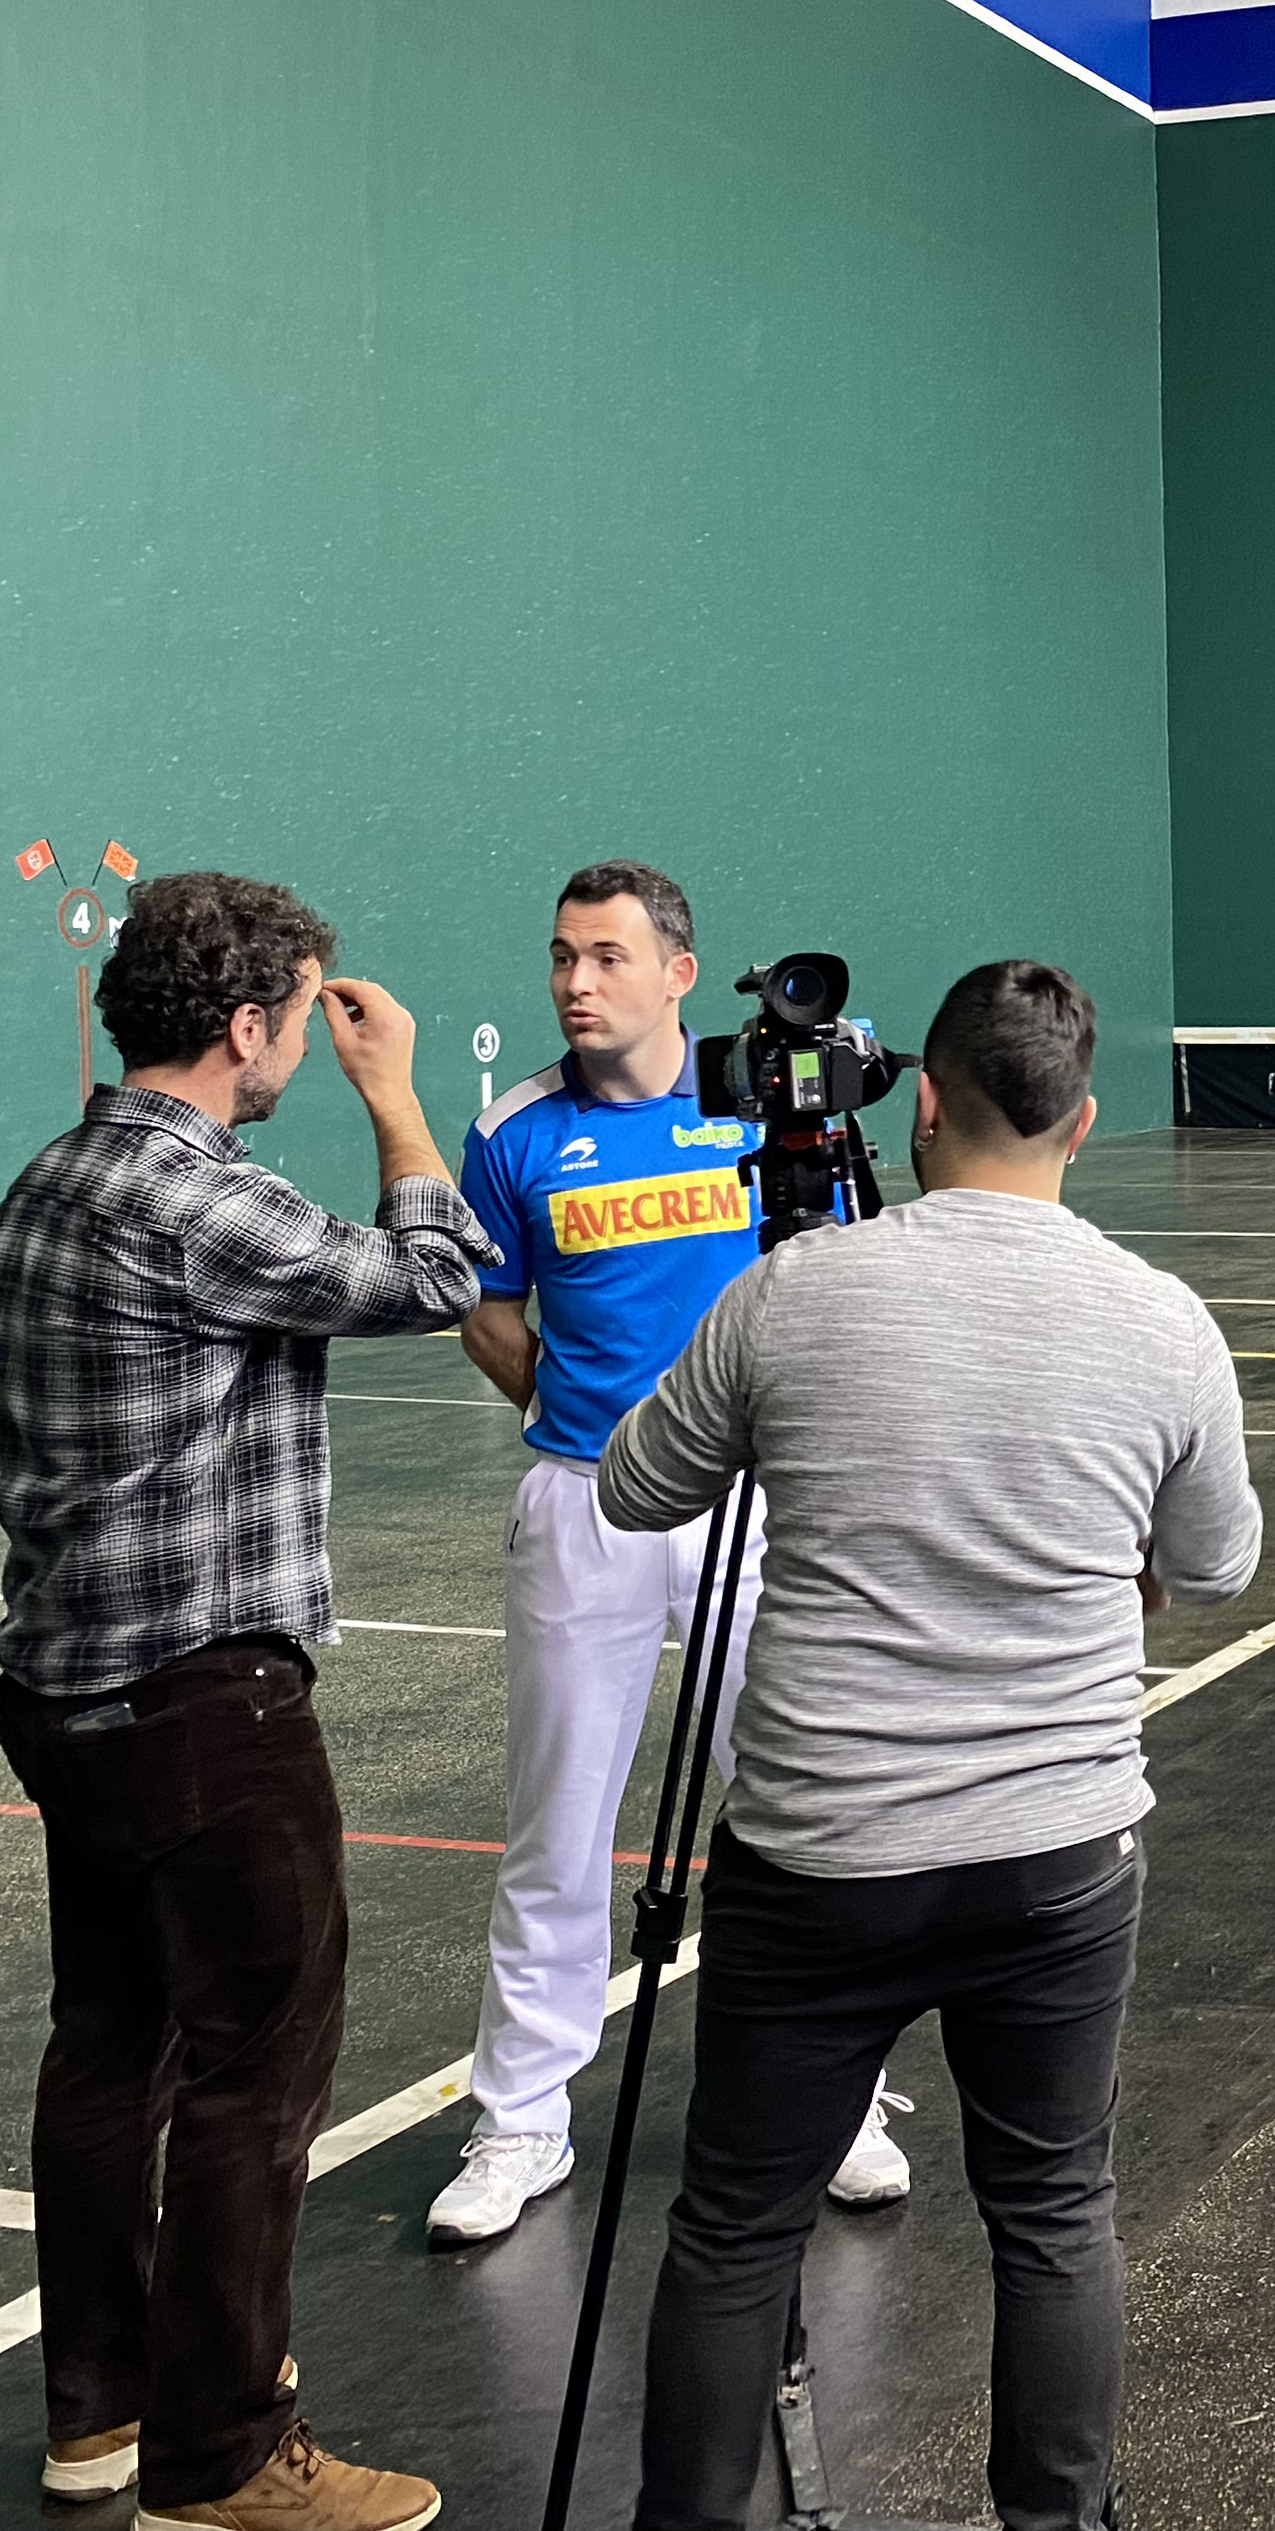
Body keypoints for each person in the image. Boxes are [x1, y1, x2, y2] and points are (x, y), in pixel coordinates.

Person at [599, 961, 1261, 2531]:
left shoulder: (793, 1291)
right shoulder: (1162, 1322)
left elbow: (636, 1487)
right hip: (1055, 1857)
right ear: (1082, 1123)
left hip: (822, 1855)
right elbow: (1218, 1561)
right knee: (1054, 2212)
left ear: (926, 1103)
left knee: (738, 2228)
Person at [0, 873, 487, 2531]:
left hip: (65, 1689)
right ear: (251, 1023)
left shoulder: (45, 1181)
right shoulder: (196, 1196)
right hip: (203, 1701)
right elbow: (433, 1276)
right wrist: (395, 1094)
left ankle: (98, 2416)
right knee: (256, 2072)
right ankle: (223, 2458)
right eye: (301, 1016)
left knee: (108, 2049)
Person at [430, 862, 900, 2247]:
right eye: (561, 957)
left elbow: (855, 1283)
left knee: (806, 1811)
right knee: (559, 1821)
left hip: (767, 1505)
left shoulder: (774, 1105)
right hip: (588, 1504)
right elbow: (490, 1309)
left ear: (681, 973)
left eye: (607, 957)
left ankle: (833, 2104)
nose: (576, 984)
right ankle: (522, 2119)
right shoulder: (514, 1133)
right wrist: (584, 1420)